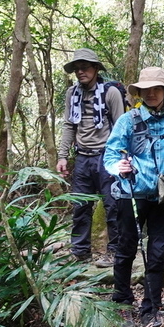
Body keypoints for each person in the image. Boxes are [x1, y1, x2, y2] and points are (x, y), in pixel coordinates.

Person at [103, 66, 164, 327]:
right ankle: (122, 301)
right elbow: (111, 155)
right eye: (146, 89)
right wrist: (119, 167)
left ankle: (152, 308)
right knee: (126, 249)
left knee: (158, 253)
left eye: (156, 88)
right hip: (132, 193)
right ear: (139, 92)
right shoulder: (128, 120)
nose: (151, 93)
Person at [57, 48, 124, 266]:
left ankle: (114, 251)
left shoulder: (110, 93)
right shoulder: (72, 93)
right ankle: (80, 252)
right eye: (77, 68)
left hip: (107, 156)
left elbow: (121, 126)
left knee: (113, 205)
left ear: (96, 68)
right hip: (83, 157)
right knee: (79, 206)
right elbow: (69, 125)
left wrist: (122, 159)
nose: (80, 72)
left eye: (85, 67)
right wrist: (62, 156)